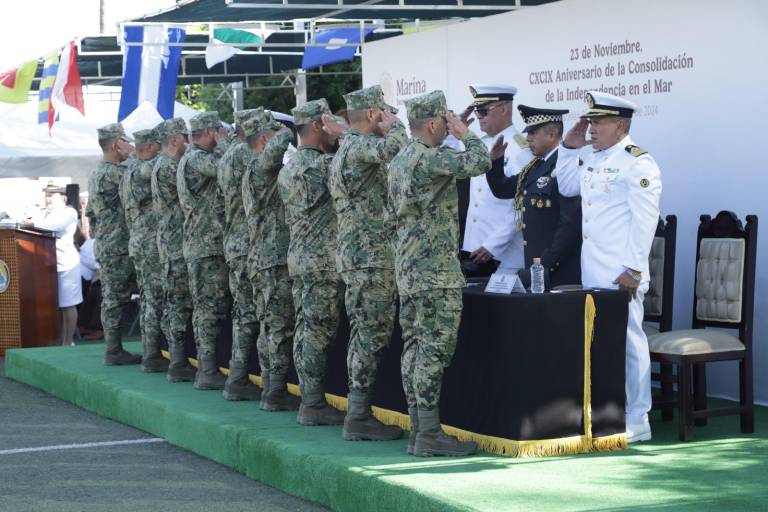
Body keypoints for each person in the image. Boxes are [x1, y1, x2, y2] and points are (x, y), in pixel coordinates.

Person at [388, 90, 494, 457]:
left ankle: (421, 429)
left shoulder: (401, 158)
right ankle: (429, 434)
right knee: (433, 351)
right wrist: (465, 134)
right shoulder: (431, 159)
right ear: (434, 124)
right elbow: (481, 163)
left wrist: (451, 134)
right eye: (444, 122)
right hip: (435, 274)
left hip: (409, 271)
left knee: (415, 350)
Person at [554, 91, 662, 443]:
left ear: (620, 124)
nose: (591, 128)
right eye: (590, 121)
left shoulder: (637, 162)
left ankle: (639, 418)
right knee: (602, 344)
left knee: (630, 342)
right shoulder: (593, 158)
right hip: (594, 270)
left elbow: (646, 220)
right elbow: (567, 185)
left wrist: (633, 269)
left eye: (598, 122)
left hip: (621, 273)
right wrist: (568, 149)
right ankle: (610, 412)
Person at [324, 85, 407, 442]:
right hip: (370, 256)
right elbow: (398, 149)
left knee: (364, 334)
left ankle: (358, 412)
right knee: (370, 336)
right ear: (373, 115)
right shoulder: (359, 146)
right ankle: (358, 415)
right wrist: (398, 126)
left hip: (358, 255)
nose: (386, 119)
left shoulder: (346, 148)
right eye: (383, 114)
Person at [277, 99, 345, 426]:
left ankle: (310, 399)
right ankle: (314, 403)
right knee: (316, 331)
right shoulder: (321, 166)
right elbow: (353, 168)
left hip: (301, 258)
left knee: (306, 329)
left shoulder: (290, 165)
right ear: (318, 125)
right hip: (321, 261)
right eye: (329, 121)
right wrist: (347, 135)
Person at [485, 104, 582, 287]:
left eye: (533, 133)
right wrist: (495, 162)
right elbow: (503, 189)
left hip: (558, 268)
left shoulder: (566, 166)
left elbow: (569, 224)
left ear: (552, 134)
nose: (528, 139)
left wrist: (546, 262)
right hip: (537, 265)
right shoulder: (535, 166)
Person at [241, 109, 299, 411]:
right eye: (273, 135)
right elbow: (278, 147)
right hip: (271, 258)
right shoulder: (259, 166)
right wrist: (290, 127)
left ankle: (270, 386)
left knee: (270, 325)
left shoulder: (254, 167)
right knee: (277, 326)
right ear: (264, 139)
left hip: (264, 257)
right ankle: (275, 390)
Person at [177, 111, 231, 390]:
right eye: (219, 132)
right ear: (211, 132)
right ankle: (208, 370)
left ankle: (207, 368)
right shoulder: (197, 158)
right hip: (205, 245)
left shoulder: (192, 157)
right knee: (208, 308)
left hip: (204, 243)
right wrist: (226, 144)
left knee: (208, 307)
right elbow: (225, 169)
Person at [459, 84, 533, 275]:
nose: (478, 117)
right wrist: (454, 135)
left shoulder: (521, 148)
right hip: (474, 246)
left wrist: (494, 244)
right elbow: (449, 159)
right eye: (477, 111)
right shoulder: (480, 144)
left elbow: (521, 205)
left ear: (503, 109)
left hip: (502, 251)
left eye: (483, 111)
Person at [86, 123, 141, 365]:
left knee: (114, 296)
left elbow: (90, 214)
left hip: (111, 243)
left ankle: (114, 348)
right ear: (116, 145)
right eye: (125, 142)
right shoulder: (112, 172)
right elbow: (138, 178)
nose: (130, 146)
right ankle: (114, 349)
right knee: (116, 298)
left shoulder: (99, 172)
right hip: (117, 245)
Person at [217, 109, 262, 401]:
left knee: (243, 312)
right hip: (247, 242)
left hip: (235, 240)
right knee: (250, 313)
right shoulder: (244, 155)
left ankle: (237, 375)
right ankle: (239, 378)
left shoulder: (228, 154)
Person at [152, 118, 197, 382]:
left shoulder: (162, 165)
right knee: (179, 303)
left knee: (175, 302)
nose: (188, 142)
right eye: (185, 137)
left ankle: (177, 359)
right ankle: (178, 362)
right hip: (176, 243)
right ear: (175, 140)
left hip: (171, 242)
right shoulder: (170, 167)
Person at [120, 126, 168, 373]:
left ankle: (152, 352)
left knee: (149, 298)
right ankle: (152, 354)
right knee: (154, 299)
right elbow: (167, 165)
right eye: (158, 144)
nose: (162, 148)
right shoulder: (146, 168)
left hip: (138, 242)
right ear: (149, 147)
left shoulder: (129, 168)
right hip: (150, 244)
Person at [25, 183, 82, 346]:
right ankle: (58, 340)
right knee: (55, 306)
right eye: (46, 195)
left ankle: (68, 341)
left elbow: (54, 227)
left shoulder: (69, 212)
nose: (47, 199)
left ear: (63, 197)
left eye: (51, 195)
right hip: (47, 265)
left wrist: (32, 224)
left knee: (68, 305)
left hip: (66, 265)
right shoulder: (44, 213)